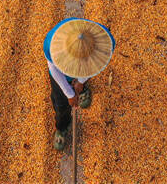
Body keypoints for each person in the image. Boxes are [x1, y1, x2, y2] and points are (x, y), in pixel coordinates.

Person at [44, 18, 115, 151]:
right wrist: (69, 94)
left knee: (81, 82)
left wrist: (81, 82)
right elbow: (54, 69)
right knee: (61, 103)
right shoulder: (51, 43)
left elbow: (97, 64)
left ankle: (82, 90)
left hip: (85, 70)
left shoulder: (106, 41)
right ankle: (63, 126)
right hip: (62, 75)